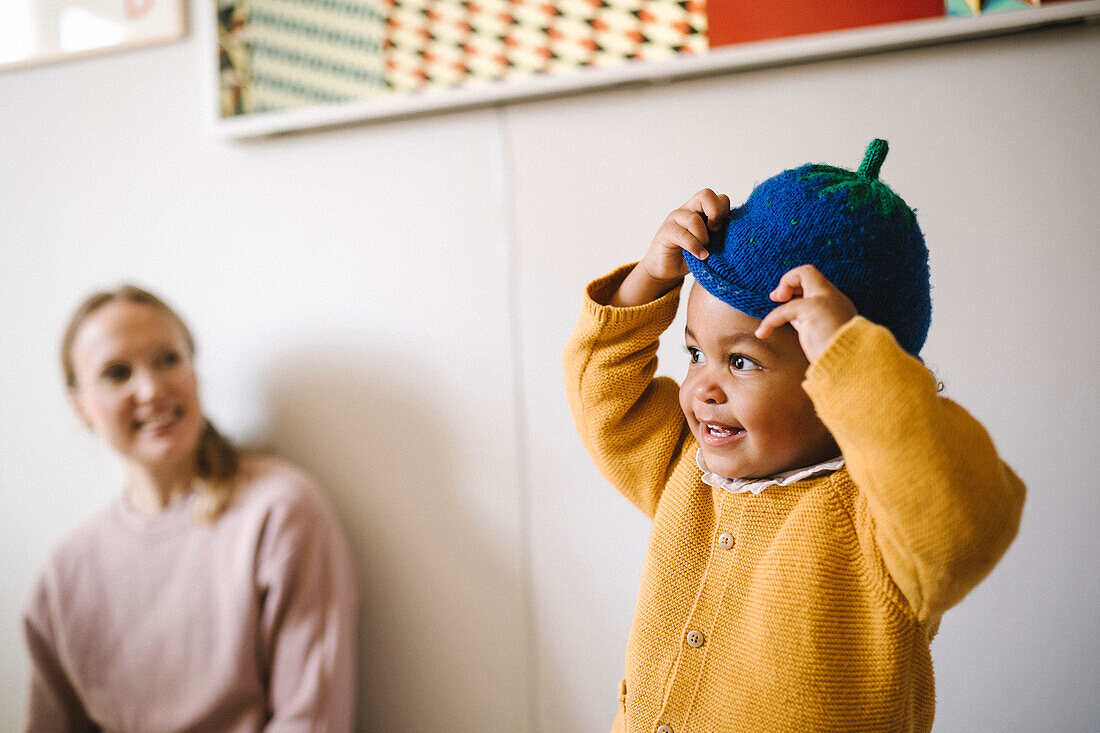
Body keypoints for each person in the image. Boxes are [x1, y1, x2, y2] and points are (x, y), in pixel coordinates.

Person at [563, 139, 1025, 732]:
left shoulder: (884, 524)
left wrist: (856, 360)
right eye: (696, 352)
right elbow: (603, 400)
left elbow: (967, 525)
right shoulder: (690, 468)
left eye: (742, 362)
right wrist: (649, 282)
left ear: (839, 378)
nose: (702, 386)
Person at [23, 285, 359, 732]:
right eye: (117, 372)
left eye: (167, 359)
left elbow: (311, 718)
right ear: (80, 407)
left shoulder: (280, 511)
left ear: (194, 372)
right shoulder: (63, 577)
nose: (151, 388)